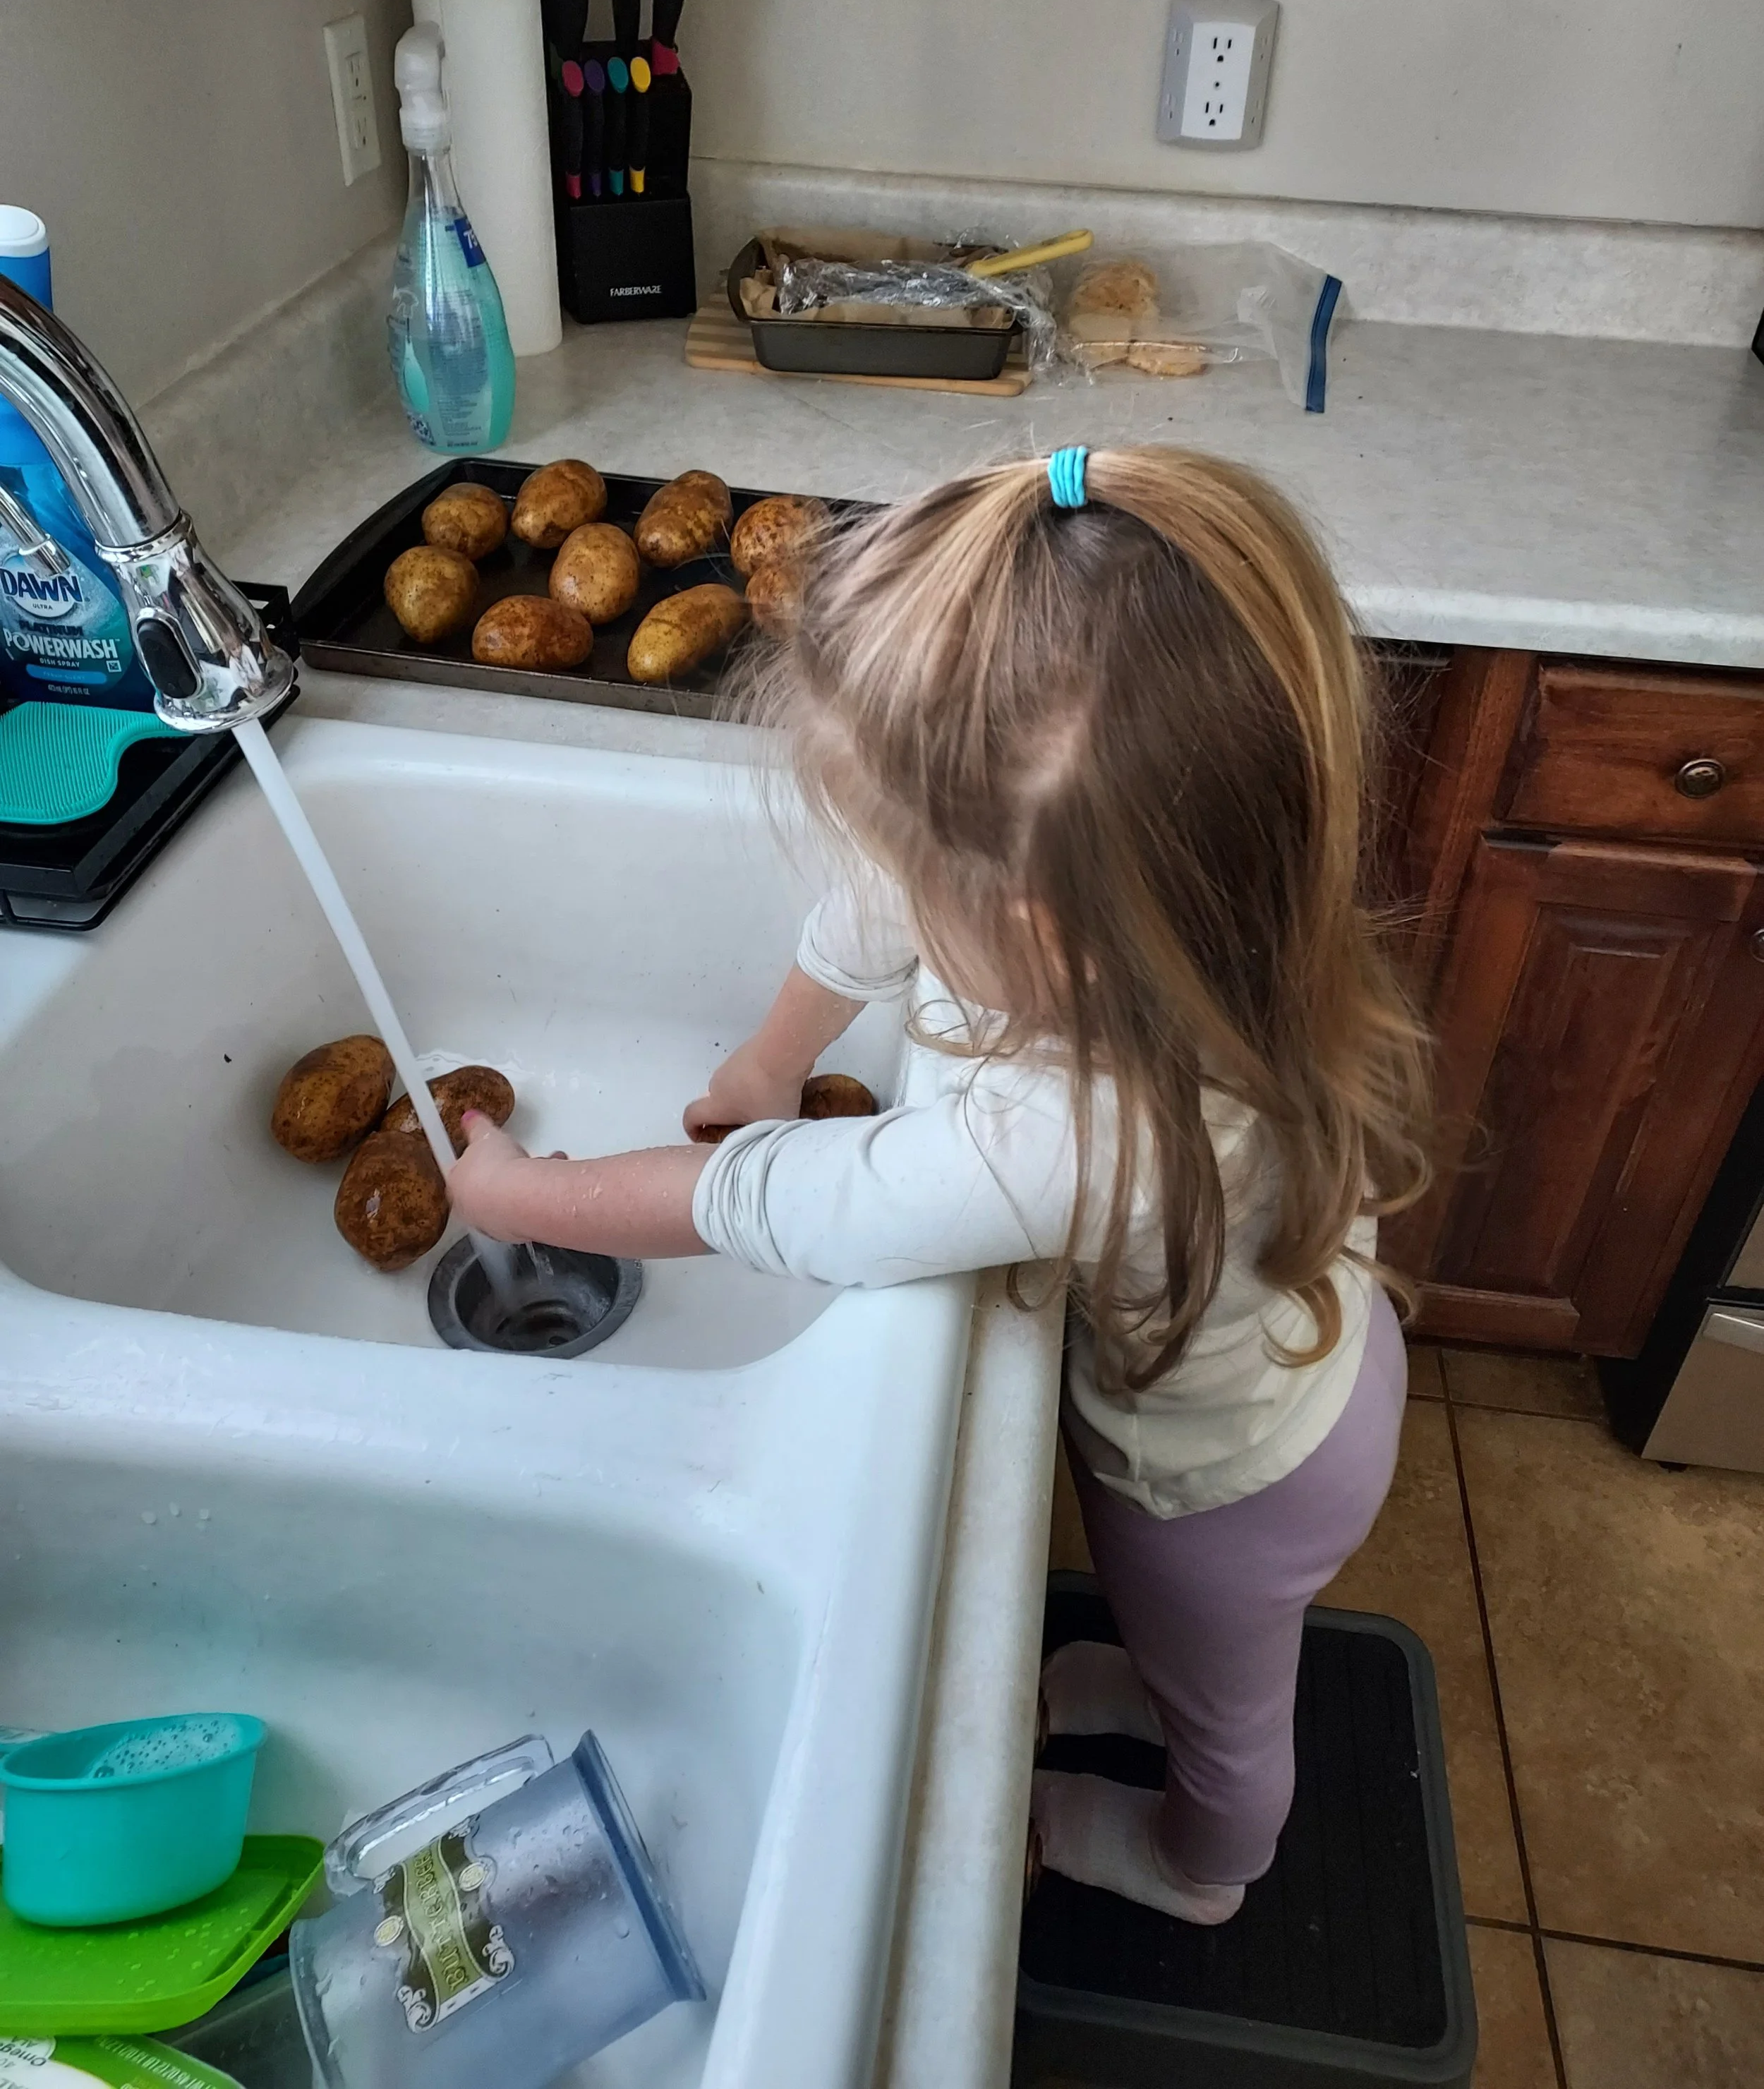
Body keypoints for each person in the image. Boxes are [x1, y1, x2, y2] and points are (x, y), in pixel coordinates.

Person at [447, 443, 1432, 1926]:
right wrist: (769, 1059)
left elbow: (782, 1203)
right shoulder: (1171, 908)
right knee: (1179, 1636)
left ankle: (1202, 1862)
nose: (887, 875)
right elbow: (884, 895)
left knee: (1233, 1699)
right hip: (1292, 1364)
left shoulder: (1080, 1130)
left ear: (1040, 929)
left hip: (1236, 1470)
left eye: (916, 855)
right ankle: (1159, 1682)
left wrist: (528, 1204)